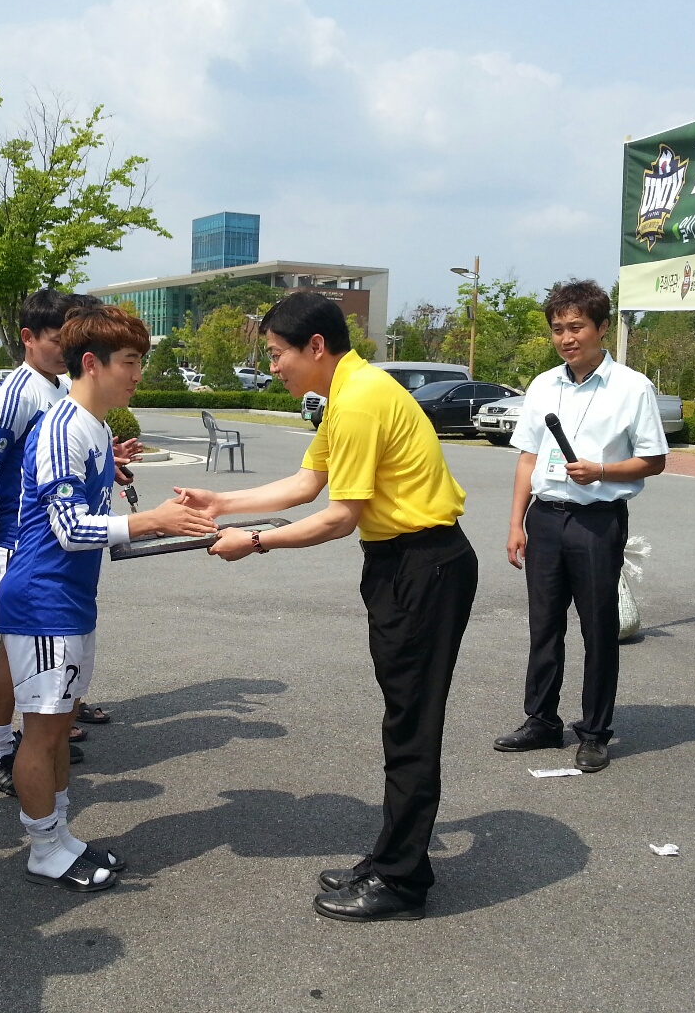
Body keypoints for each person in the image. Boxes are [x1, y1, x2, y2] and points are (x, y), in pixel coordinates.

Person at [179, 291, 477, 922]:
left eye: (276, 353)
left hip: (423, 565)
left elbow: (341, 517)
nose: (272, 367)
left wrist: (253, 542)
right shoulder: (345, 394)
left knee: (411, 724)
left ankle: (401, 881)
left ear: (316, 346)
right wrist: (220, 503)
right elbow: (306, 483)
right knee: (404, 716)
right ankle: (393, 858)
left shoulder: (361, 398)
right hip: (403, 563)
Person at [0, 305, 213, 892]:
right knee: (42, 732)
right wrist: (150, 521)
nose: (138, 375)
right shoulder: (62, 427)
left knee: (59, 725)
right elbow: (69, 528)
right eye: (130, 362)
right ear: (91, 363)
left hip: (69, 598)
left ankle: (61, 836)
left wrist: (151, 518)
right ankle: (44, 848)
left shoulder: (92, 427)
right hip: (41, 599)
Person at [494, 279, 668, 772]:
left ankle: (594, 732)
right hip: (545, 519)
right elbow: (528, 457)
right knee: (544, 625)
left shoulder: (632, 387)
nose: (566, 338)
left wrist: (602, 471)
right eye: (558, 329)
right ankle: (542, 721)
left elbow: (654, 460)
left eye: (576, 327)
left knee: (598, 629)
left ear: (602, 327)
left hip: (597, 521)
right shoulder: (543, 385)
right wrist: (516, 523)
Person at [0, 288, 99, 793]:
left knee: (29, 654)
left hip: (46, 541)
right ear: (28, 337)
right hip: (20, 540)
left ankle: (33, 738)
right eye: (56, 338)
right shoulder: (17, 391)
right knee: (11, 650)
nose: (66, 349)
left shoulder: (57, 386)